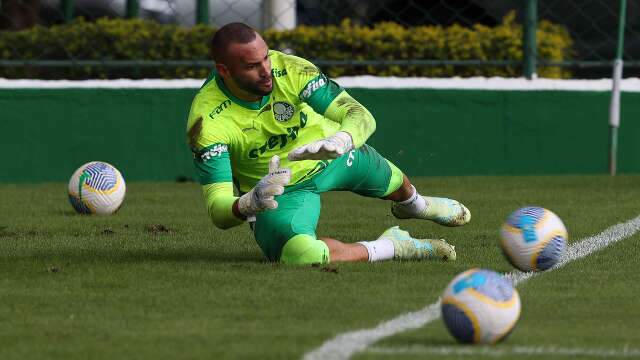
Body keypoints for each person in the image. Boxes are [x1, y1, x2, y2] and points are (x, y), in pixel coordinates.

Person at [186, 22, 470, 265]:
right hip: (279, 191)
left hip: (330, 153)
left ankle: (415, 206)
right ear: (223, 70)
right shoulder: (207, 122)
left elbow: (359, 115)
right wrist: (249, 203)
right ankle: (393, 246)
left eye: (266, 58)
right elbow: (218, 211)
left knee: (396, 184)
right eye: (251, 66)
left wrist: (341, 140)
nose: (266, 70)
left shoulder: (291, 68)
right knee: (301, 254)